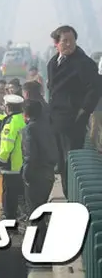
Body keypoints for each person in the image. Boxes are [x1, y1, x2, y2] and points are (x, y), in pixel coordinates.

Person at [47, 25, 101, 197]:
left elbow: (95, 88)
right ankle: (67, 193)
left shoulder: (84, 63)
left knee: (70, 162)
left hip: (73, 121)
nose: (69, 44)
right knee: (60, 164)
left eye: (72, 41)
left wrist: (84, 111)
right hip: (55, 120)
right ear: (56, 43)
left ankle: (73, 198)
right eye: (65, 41)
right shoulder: (52, 62)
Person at [21, 99, 58, 263]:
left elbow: (30, 155)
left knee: (35, 214)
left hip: (36, 175)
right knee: (41, 213)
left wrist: (26, 175)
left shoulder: (30, 129)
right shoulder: (46, 125)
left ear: (26, 114)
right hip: (48, 173)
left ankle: (39, 252)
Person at [0, 94, 25, 222]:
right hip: (22, 164)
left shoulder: (10, 124)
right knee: (19, 193)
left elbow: (6, 148)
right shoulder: (22, 119)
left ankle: (9, 218)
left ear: (8, 107)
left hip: (11, 165)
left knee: (9, 193)